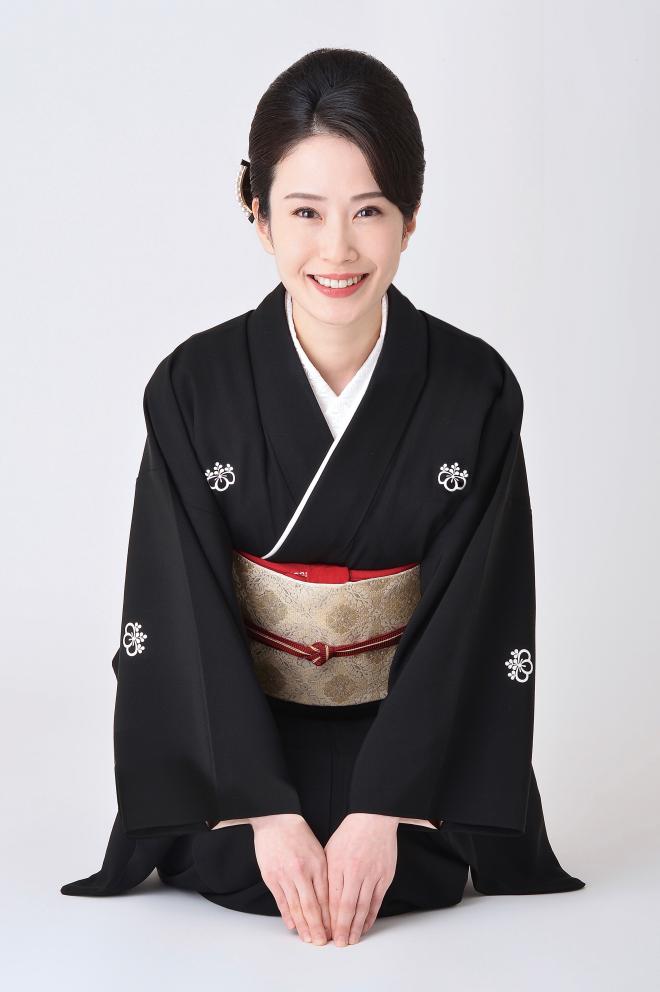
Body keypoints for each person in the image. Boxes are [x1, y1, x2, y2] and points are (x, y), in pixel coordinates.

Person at [60, 47, 586, 946]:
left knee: (416, 860)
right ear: (257, 212)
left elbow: (477, 615)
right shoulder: (193, 387)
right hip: (244, 748)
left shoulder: (474, 390)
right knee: (235, 854)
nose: (337, 250)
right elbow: (178, 608)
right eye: (305, 211)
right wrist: (264, 811)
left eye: (368, 211)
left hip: (414, 759)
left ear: (410, 216)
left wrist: (384, 810)